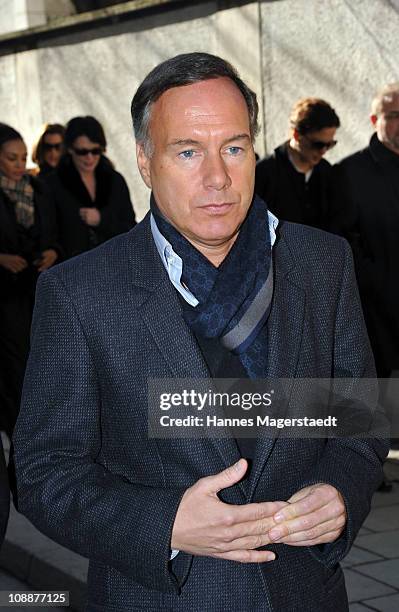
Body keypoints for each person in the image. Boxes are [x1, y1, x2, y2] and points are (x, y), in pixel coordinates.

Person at [14, 54, 388, 611]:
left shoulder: (321, 264)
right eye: (187, 152)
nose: (217, 177)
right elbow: (44, 472)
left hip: (304, 592)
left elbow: (358, 416)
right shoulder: (78, 292)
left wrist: (339, 493)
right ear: (144, 160)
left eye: (234, 148)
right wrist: (165, 525)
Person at [0, 123, 59, 437]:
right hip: (7, 298)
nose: (20, 164)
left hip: (37, 289)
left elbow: (55, 232)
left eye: (23, 157)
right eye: (11, 158)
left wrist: (51, 251)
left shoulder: (38, 189)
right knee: (15, 368)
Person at [337, 83, 399, 379]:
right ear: (375, 121)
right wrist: (380, 283)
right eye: (395, 115)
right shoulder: (347, 174)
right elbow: (344, 244)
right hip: (380, 325)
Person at [45, 116, 136, 259]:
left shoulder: (115, 180)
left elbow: (130, 228)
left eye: (96, 151)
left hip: (113, 265)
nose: (90, 157)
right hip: (71, 269)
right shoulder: (53, 184)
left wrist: (102, 220)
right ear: (70, 149)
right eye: (82, 151)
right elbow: (49, 233)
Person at [255, 98, 350, 234]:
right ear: (296, 135)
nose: (323, 151)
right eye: (318, 144)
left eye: (330, 144)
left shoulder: (328, 174)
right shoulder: (263, 174)